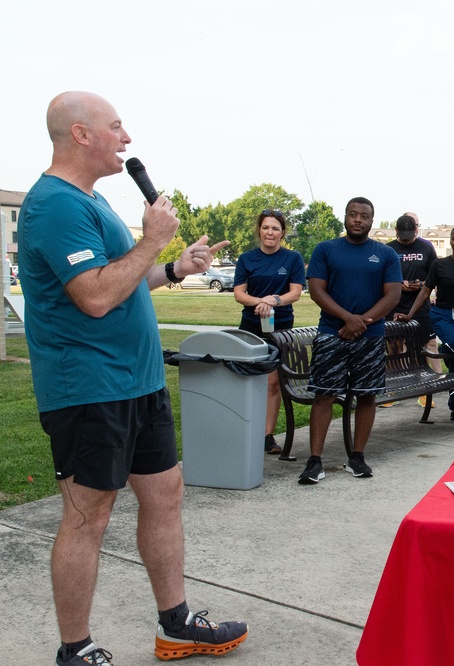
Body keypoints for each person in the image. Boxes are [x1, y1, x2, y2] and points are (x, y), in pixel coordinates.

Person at [20, 91, 247, 665]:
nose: (127, 139)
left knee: (165, 495)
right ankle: (75, 649)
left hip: (138, 383)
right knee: (88, 514)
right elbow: (94, 297)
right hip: (89, 389)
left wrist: (171, 266)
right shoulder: (54, 205)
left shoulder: (91, 202)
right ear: (81, 134)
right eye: (116, 128)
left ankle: (176, 625)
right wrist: (152, 241)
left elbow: (120, 281)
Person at [301, 197, 402, 483]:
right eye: (353, 214)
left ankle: (357, 457)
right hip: (331, 334)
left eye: (364, 216)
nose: (358, 219)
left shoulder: (385, 254)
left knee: (367, 395)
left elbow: (392, 296)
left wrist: (360, 323)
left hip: (369, 337)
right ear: (345, 217)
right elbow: (317, 291)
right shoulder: (326, 249)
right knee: (324, 394)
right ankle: (314, 462)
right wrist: (348, 319)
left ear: (372, 220)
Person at [233, 208, 306, 454]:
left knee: (273, 382)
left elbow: (295, 293)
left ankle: (267, 436)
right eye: (266, 227)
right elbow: (239, 294)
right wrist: (261, 302)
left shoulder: (293, 258)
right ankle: (244, 430)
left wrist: (272, 301)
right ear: (259, 230)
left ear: (282, 233)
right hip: (251, 326)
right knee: (246, 379)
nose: (270, 232)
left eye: (275, 228)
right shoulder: (246, 259)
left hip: (280, 328)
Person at [402, 226, 454, 422]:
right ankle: (446, 349)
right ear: (450, 241)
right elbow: (425, 292)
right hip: (441, 314)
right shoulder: (439, 265)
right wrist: (410, 314)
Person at [389, 214, 438, 375]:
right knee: (395, 346)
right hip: (394, 305)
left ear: (416, 230)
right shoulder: (388, 250)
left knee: (421, 345)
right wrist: (398, 283)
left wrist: (422, 284)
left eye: (410, 237)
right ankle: (397, 381)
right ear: (396, 230)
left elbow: (435, 275)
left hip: (420, 306)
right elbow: (381, 278)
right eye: (403, 237)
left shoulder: (426, 247)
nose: (406, 240)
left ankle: (424, 382)